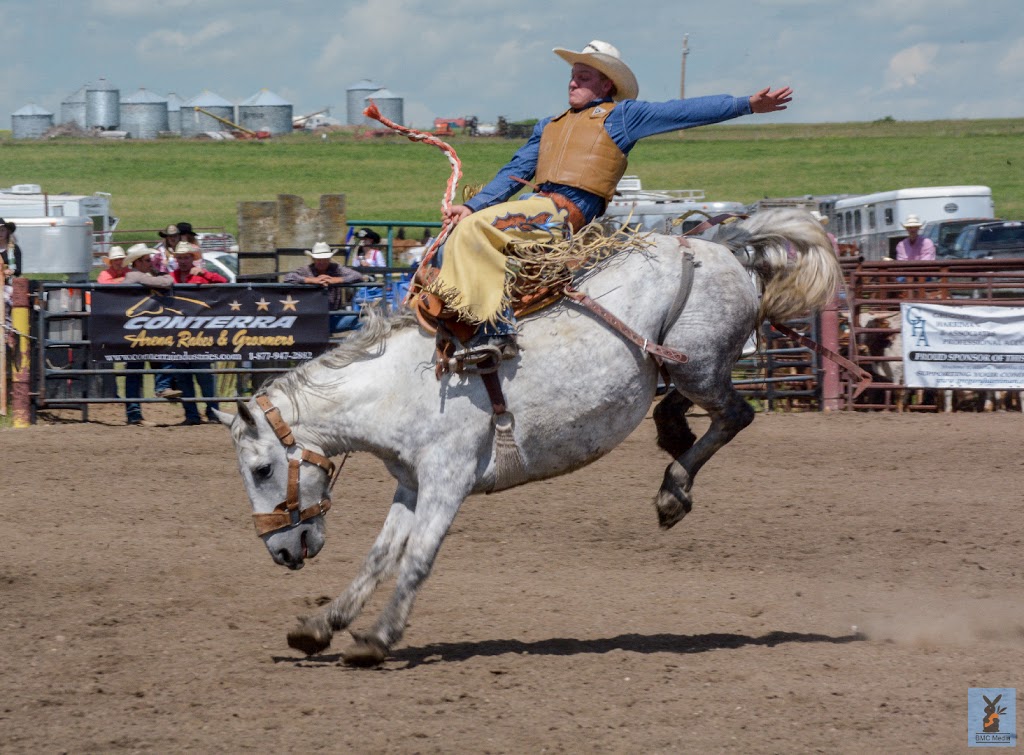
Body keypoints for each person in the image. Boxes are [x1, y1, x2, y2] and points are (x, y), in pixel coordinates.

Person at [428, 40, 793, 353]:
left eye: (583, 77)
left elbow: (682, 111)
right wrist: (473, 205)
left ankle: (496, 330)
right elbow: (515, 172)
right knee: (456, 234)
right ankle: (457, 320)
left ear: (606, 85)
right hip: (533, 208)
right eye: (572, 75)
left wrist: (745, 104)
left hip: (563, 213)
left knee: (476, 230)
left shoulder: (622, 117)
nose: (573, 82)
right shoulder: (549, 126)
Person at [122, 245, 177, 426]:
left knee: (136, 370)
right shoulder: (135, 276)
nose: (150, 263)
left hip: (141, 330)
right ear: (137, 262)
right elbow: (166, 282)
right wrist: (162, 275)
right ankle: (160, 388)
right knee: (142, 367)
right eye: (147, 260)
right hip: (141, 331)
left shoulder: (138, 277)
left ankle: (135, 413)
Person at [170, 240, 226, 423]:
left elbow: (224, 283)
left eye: (186, 257)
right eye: (180, 258)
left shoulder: (201, 276)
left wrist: (204, 273)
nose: (183, 261)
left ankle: (212, 413)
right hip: (178, 334)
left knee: (204, 375)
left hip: (199, 333)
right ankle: (191, 414)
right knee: (183, 377)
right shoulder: (172, 277)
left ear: (192, 259)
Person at [283, 241, 366, 332]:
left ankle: (361, 345)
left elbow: (358, 276)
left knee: (362, 322)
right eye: (319, 259)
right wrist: (310, 280)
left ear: (329, 259)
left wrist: (337, 280)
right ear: (313, 259)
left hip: (332, 316)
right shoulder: (305, 270)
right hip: (309, 318)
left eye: (325, 259)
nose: (322, 262)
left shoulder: (336, 268)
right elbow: (288, 277)